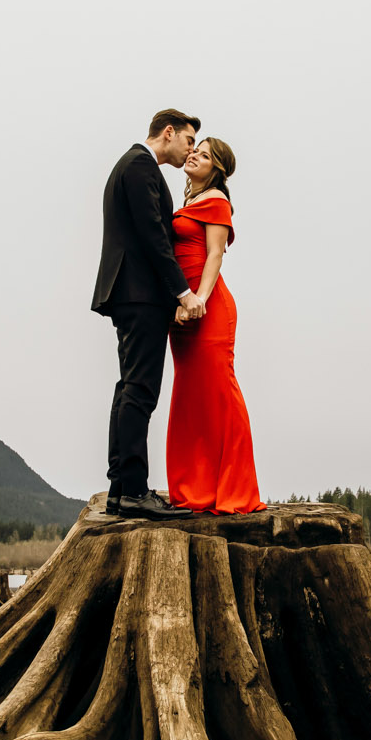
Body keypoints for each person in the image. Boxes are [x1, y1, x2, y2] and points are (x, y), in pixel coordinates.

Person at [93, 109, 207, 519]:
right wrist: (182, 292)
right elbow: (153, 237)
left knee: (128, 388)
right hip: (140, 294)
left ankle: (120, 488)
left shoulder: (130, 165)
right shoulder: (140, 166)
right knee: (141, 391)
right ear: (169, 133)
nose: (191, 150)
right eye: (190, 142)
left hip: (129, 293)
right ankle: (135, 491)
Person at [165, 137, 264, 514]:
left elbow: (215, 255)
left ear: (216, 170)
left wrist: (200, 301)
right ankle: (195, 489)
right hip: (181, 313)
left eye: (203, 155)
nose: (193, 155)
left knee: (218, 393)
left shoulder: (217, 201)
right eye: (194, 149)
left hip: (208, 311)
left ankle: (233, 489)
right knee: (191, 399)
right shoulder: (189, 202)